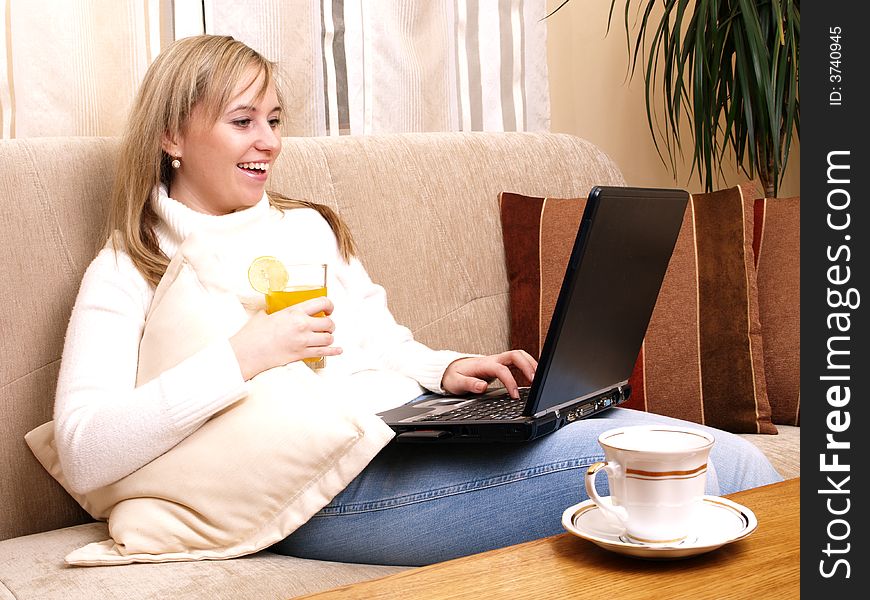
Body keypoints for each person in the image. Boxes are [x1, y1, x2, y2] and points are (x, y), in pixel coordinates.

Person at [53, 35, 782, 567]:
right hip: (312, 486)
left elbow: (380, 344)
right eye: (243, 120)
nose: (268, 142)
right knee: (667, 475)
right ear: (171, 135)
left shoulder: (305, 226)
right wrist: (242, 357)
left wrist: (447, 369)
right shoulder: (129, 268)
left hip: (397, 438)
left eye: (275, 120)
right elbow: (86, 450)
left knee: (736, 462)